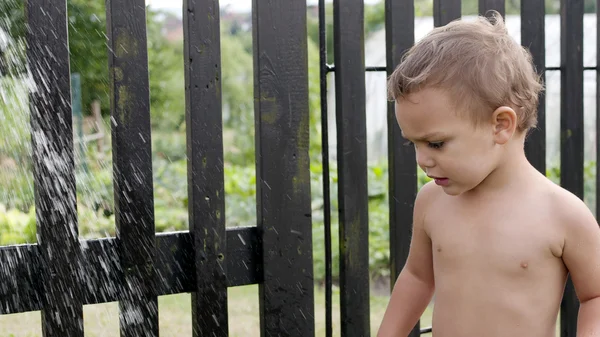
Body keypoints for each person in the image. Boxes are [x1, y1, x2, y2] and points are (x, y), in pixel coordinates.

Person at [377, 11, 600, 337]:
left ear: (500, 125)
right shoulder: (431, 202)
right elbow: (417, 277)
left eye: (436, 143)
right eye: (414, 144)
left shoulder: (562, 214)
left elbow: (595, 294)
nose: (421, 160)